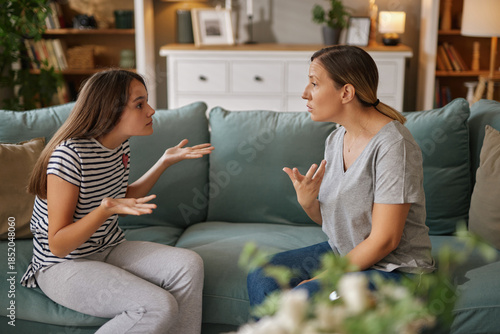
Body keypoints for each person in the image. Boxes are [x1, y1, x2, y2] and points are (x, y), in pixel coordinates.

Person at [21, 69, 214, 334]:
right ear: (109, 111)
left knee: (189, 264)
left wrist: (164, 162)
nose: (151, 110)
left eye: (146, 101)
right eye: (139, 104)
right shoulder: (68, 156)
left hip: (108, 248)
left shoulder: (119, 146)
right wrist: (104, 209)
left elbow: (122, 198)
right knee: (158, 305)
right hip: (62, 266)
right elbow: (59, 245)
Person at [247, 45, 435, 307]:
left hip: (395, 271)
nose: (304, 93)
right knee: (262, 276)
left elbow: (386, 240)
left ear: (346, 92)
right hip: (347, 255)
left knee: (310, 297)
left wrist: (324, 279)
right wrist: (308, 202)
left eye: (314, 83)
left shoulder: (394, 146)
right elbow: (337, 222)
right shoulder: (336, 138)